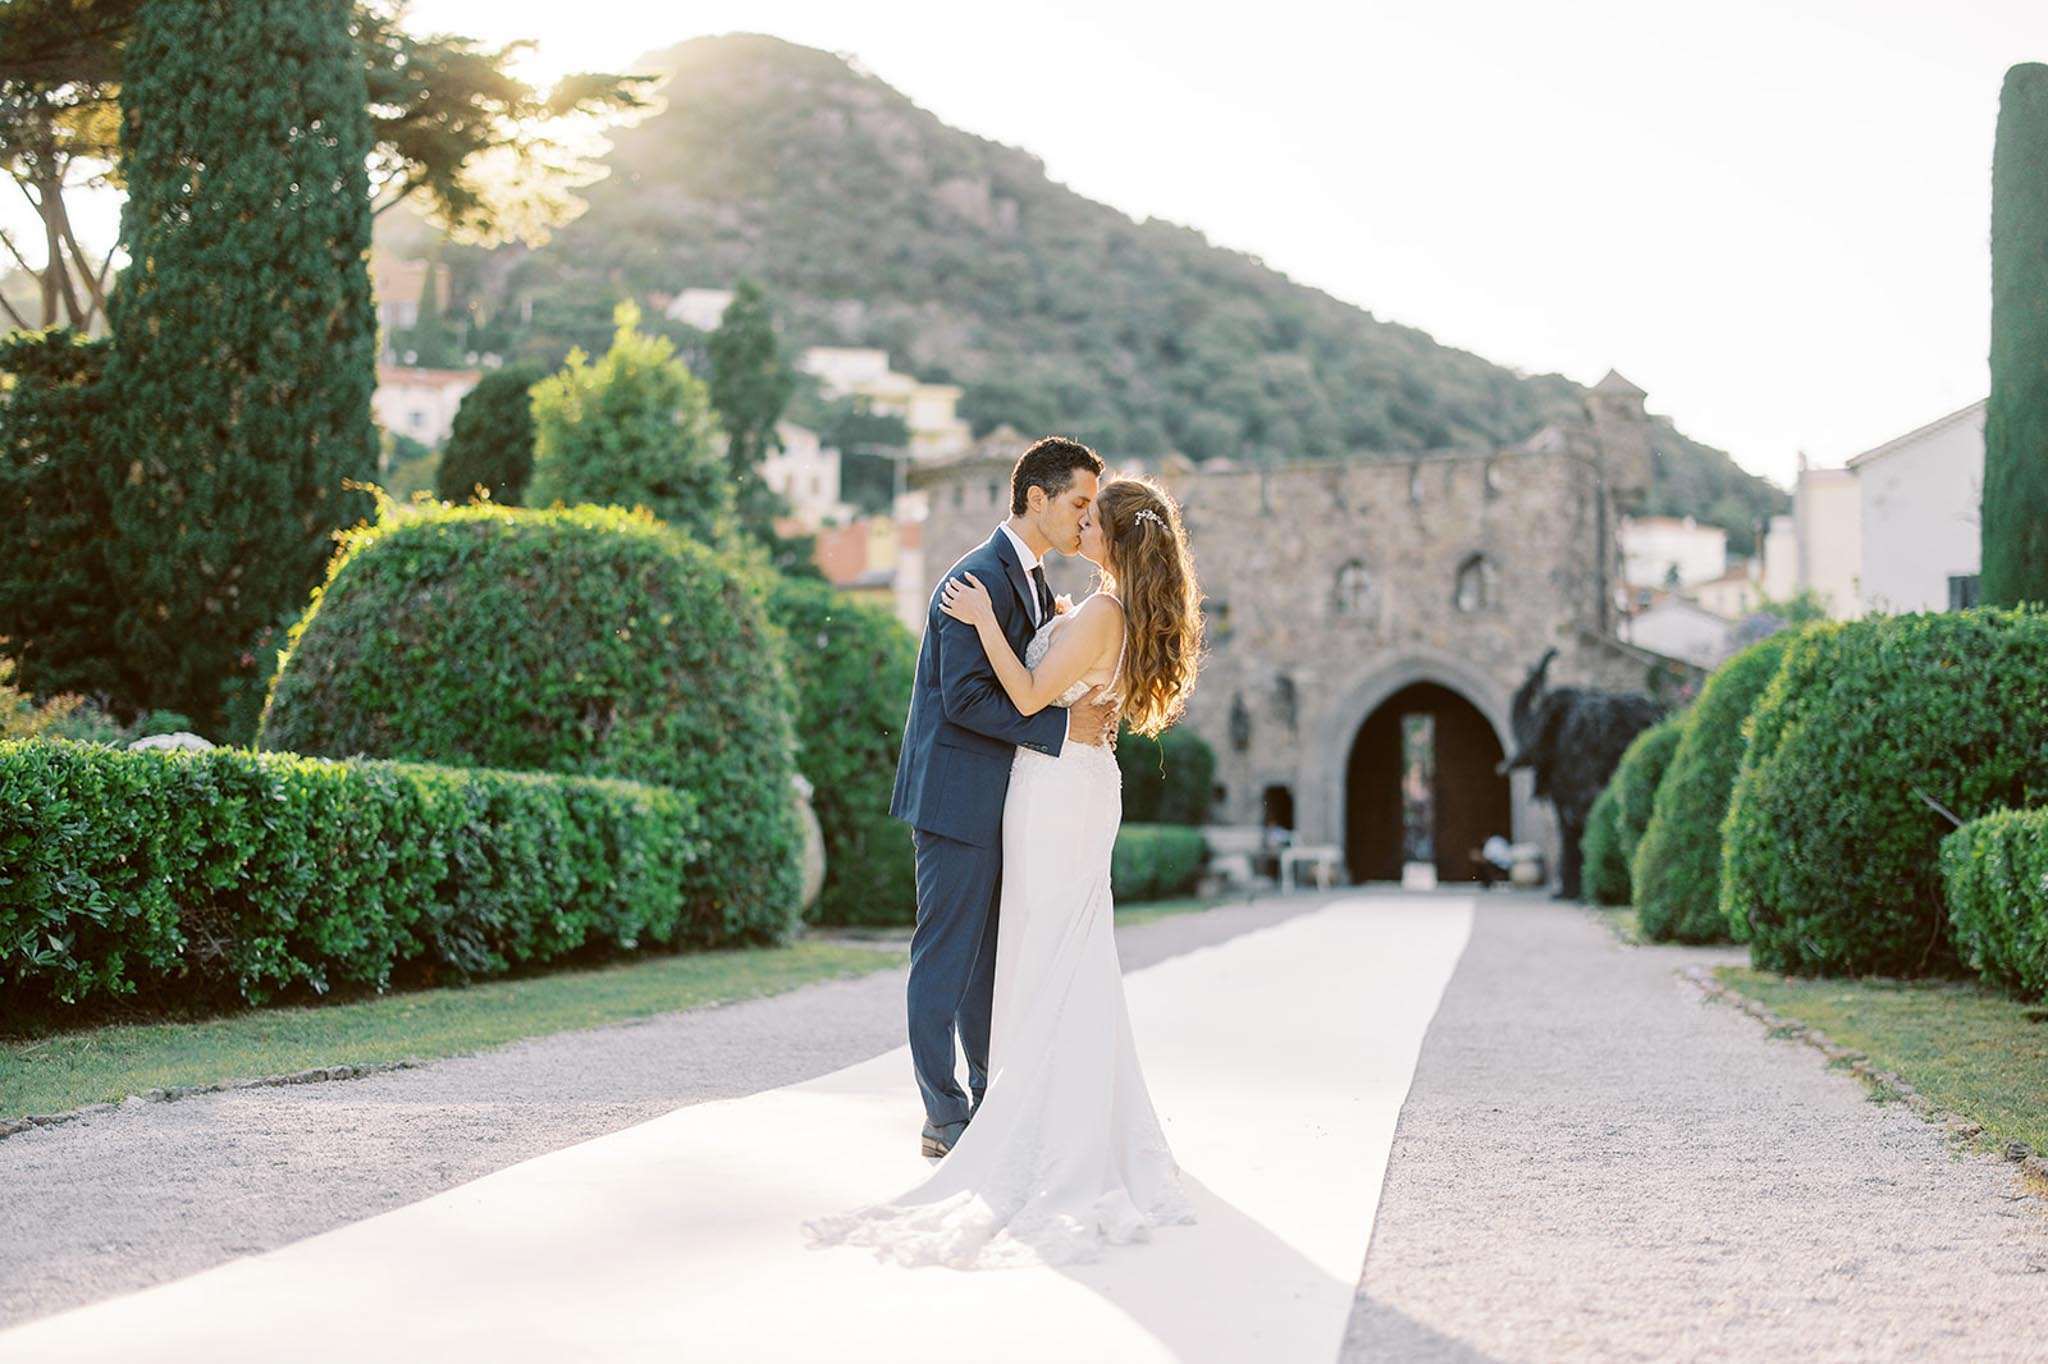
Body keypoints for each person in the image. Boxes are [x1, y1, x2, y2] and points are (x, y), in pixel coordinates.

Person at [803, 470, 1206, 1270]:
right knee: (1013, 953)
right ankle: (965, 1110)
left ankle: (1008, 1111)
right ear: (1037, 498)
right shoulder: (1026, 588)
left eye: (1096, 514)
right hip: (1024, 790)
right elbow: (970, 700)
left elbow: (1020, 692)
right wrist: (1051, 662)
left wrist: (1003, 633)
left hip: (1056, 792)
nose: (1084, 521)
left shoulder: (1082, 607)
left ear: (1115, 540)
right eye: (1078, 505)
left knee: (1041, 951)